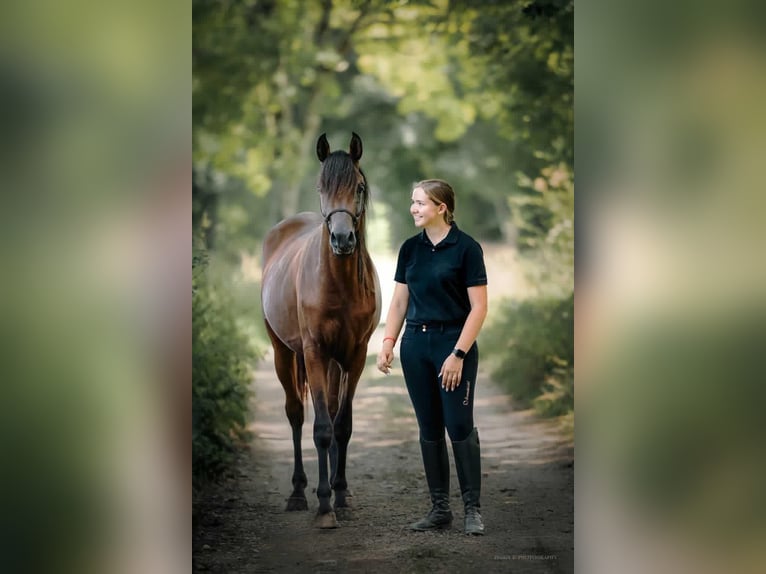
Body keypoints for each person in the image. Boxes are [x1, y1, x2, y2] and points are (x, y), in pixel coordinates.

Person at [376, 179, 488, 535]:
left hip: (453, 345)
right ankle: (440, 509)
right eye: (413, 202)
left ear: (442, 207)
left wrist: (458, 353)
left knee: (458, 425)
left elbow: (479, 307)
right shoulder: (410, 249)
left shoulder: (466, 248)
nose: (414, 208)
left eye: (421, 203)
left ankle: (473, 510)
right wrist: (388, 340)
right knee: (428, 428)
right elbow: (399, 302)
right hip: (415, 347)